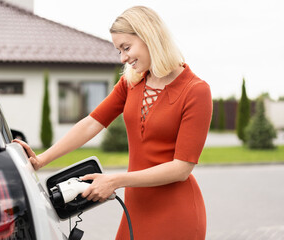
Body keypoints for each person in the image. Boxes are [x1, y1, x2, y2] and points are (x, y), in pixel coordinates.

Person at [15, 6, 212, 240]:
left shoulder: (196, 91)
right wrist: (41, 160)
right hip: (136, 208)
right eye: (119, 50)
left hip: (176, 213)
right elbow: (91, 123)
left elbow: (181, 168)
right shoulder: (131, 83)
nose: (123, 58)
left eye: (126, 48)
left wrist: (116, 180)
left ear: (149, 36)